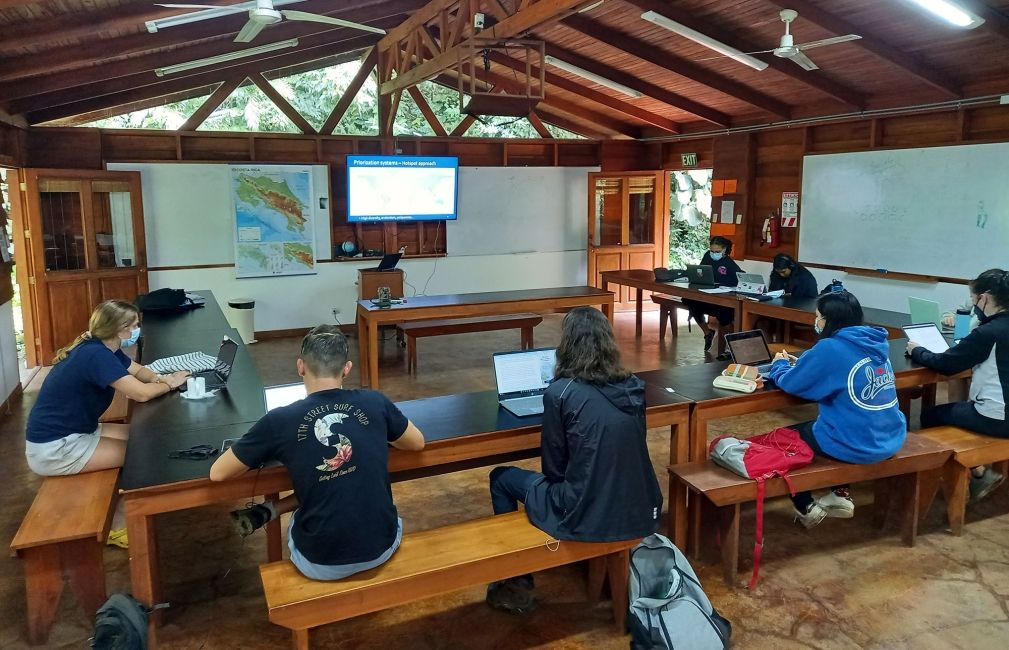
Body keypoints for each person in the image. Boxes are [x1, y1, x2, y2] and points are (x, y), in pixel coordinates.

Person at [210, 325, 424, 580]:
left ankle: (273, 510)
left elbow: (218, 473)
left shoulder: (279, 421)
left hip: (320, 564)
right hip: (382, 547)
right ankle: (273, 508)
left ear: (300, 367)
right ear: (346, 368)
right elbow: (416, 442)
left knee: (321, 484)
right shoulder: (375, 402)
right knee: (341, 477)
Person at [485, 307, 662, 613]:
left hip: (584, 509)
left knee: (501, 478)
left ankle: (515, 580)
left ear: (566, 346)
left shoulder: (561, 393)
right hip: (640, 504)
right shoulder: (633, 386)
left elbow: (553, 470)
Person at [25, 300, 191, 547]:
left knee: (142, 436)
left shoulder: (102, 347)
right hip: (56, 448)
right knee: (139, 454)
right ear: (120, 329)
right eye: (134, 325)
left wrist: (160, 377)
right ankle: (121, 524)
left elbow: (139, 371)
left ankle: (131, 511)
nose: (137, 330)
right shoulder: (95, 355)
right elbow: (140, 393)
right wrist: (169, 384)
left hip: (77, 431)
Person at [766, 290, 907, 528]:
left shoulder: (831, 347)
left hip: (856, 443)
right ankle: (840, 493)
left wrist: (779, 365)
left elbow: (794, 384)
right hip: (891, 437)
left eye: (818, 316)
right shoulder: (876, 344)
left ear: (829, 320)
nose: (816, 321)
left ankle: (805, 506)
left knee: (787, 438)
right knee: (834, 423)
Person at [908, 268, 1009, 501]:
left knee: (930, 416)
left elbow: (945, 364)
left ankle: (973, 474)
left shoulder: (987, 332)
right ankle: (980, 471)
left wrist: (917, 350)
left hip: (997, 418)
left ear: (985, 298)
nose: (973, 305)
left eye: (974, 300)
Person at [682, 236, 742, 359]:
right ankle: (707, 332)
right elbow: (701, 271)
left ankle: (731, 346)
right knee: (691, 302)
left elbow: (739, 279)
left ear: (724, 250)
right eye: (712, 251)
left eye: (717, 252)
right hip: (707, 293)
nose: (713, 254)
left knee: (724, 313)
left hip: (723, 297)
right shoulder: (707, 256)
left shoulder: (729, 264)